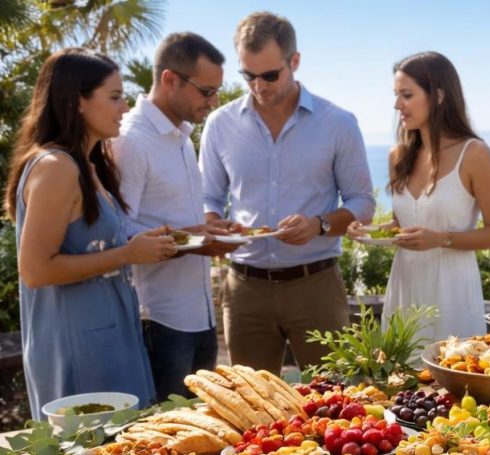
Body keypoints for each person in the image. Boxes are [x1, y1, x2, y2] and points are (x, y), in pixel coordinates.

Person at [200, 11, 375, 373]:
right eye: (248, 75)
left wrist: (320, 225)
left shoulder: (338, 123)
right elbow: (208, 198)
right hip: (244, 288)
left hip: (316, 287)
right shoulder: (220, 124)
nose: (258, 86)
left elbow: (363, 203)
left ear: (294, 62)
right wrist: (215, 225)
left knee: (334, 401)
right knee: (250, 408)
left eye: (269, 75)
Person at [5, 48, 175, 420]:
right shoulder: (56, 168)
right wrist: (127, 254)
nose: (125, 107)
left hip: (110, 337)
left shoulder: (90, 163)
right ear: (76, 101)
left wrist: (138, 245)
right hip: (78, 346)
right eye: (114, 97)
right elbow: (35, 270)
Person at [350, 51, 490, 341]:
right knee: (401, 380)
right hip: (404, 287)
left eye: (407, 95)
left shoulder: (474, 154)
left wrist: (441, 239)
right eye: (396, 95)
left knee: (455, 375)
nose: (397, 105)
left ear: (438, 96)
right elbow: (402, 223)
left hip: (452, 293)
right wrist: (369, 231)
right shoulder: (398, 156)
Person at [114, 32, 237, 402]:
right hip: (160, 319)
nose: (214, 101)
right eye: (206, 91)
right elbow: (118, 230)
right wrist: (192, 240)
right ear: (170, 80)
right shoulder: (131, 139)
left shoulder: (182, 136)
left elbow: (172, 216)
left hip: (200, 315)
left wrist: (208, 230)